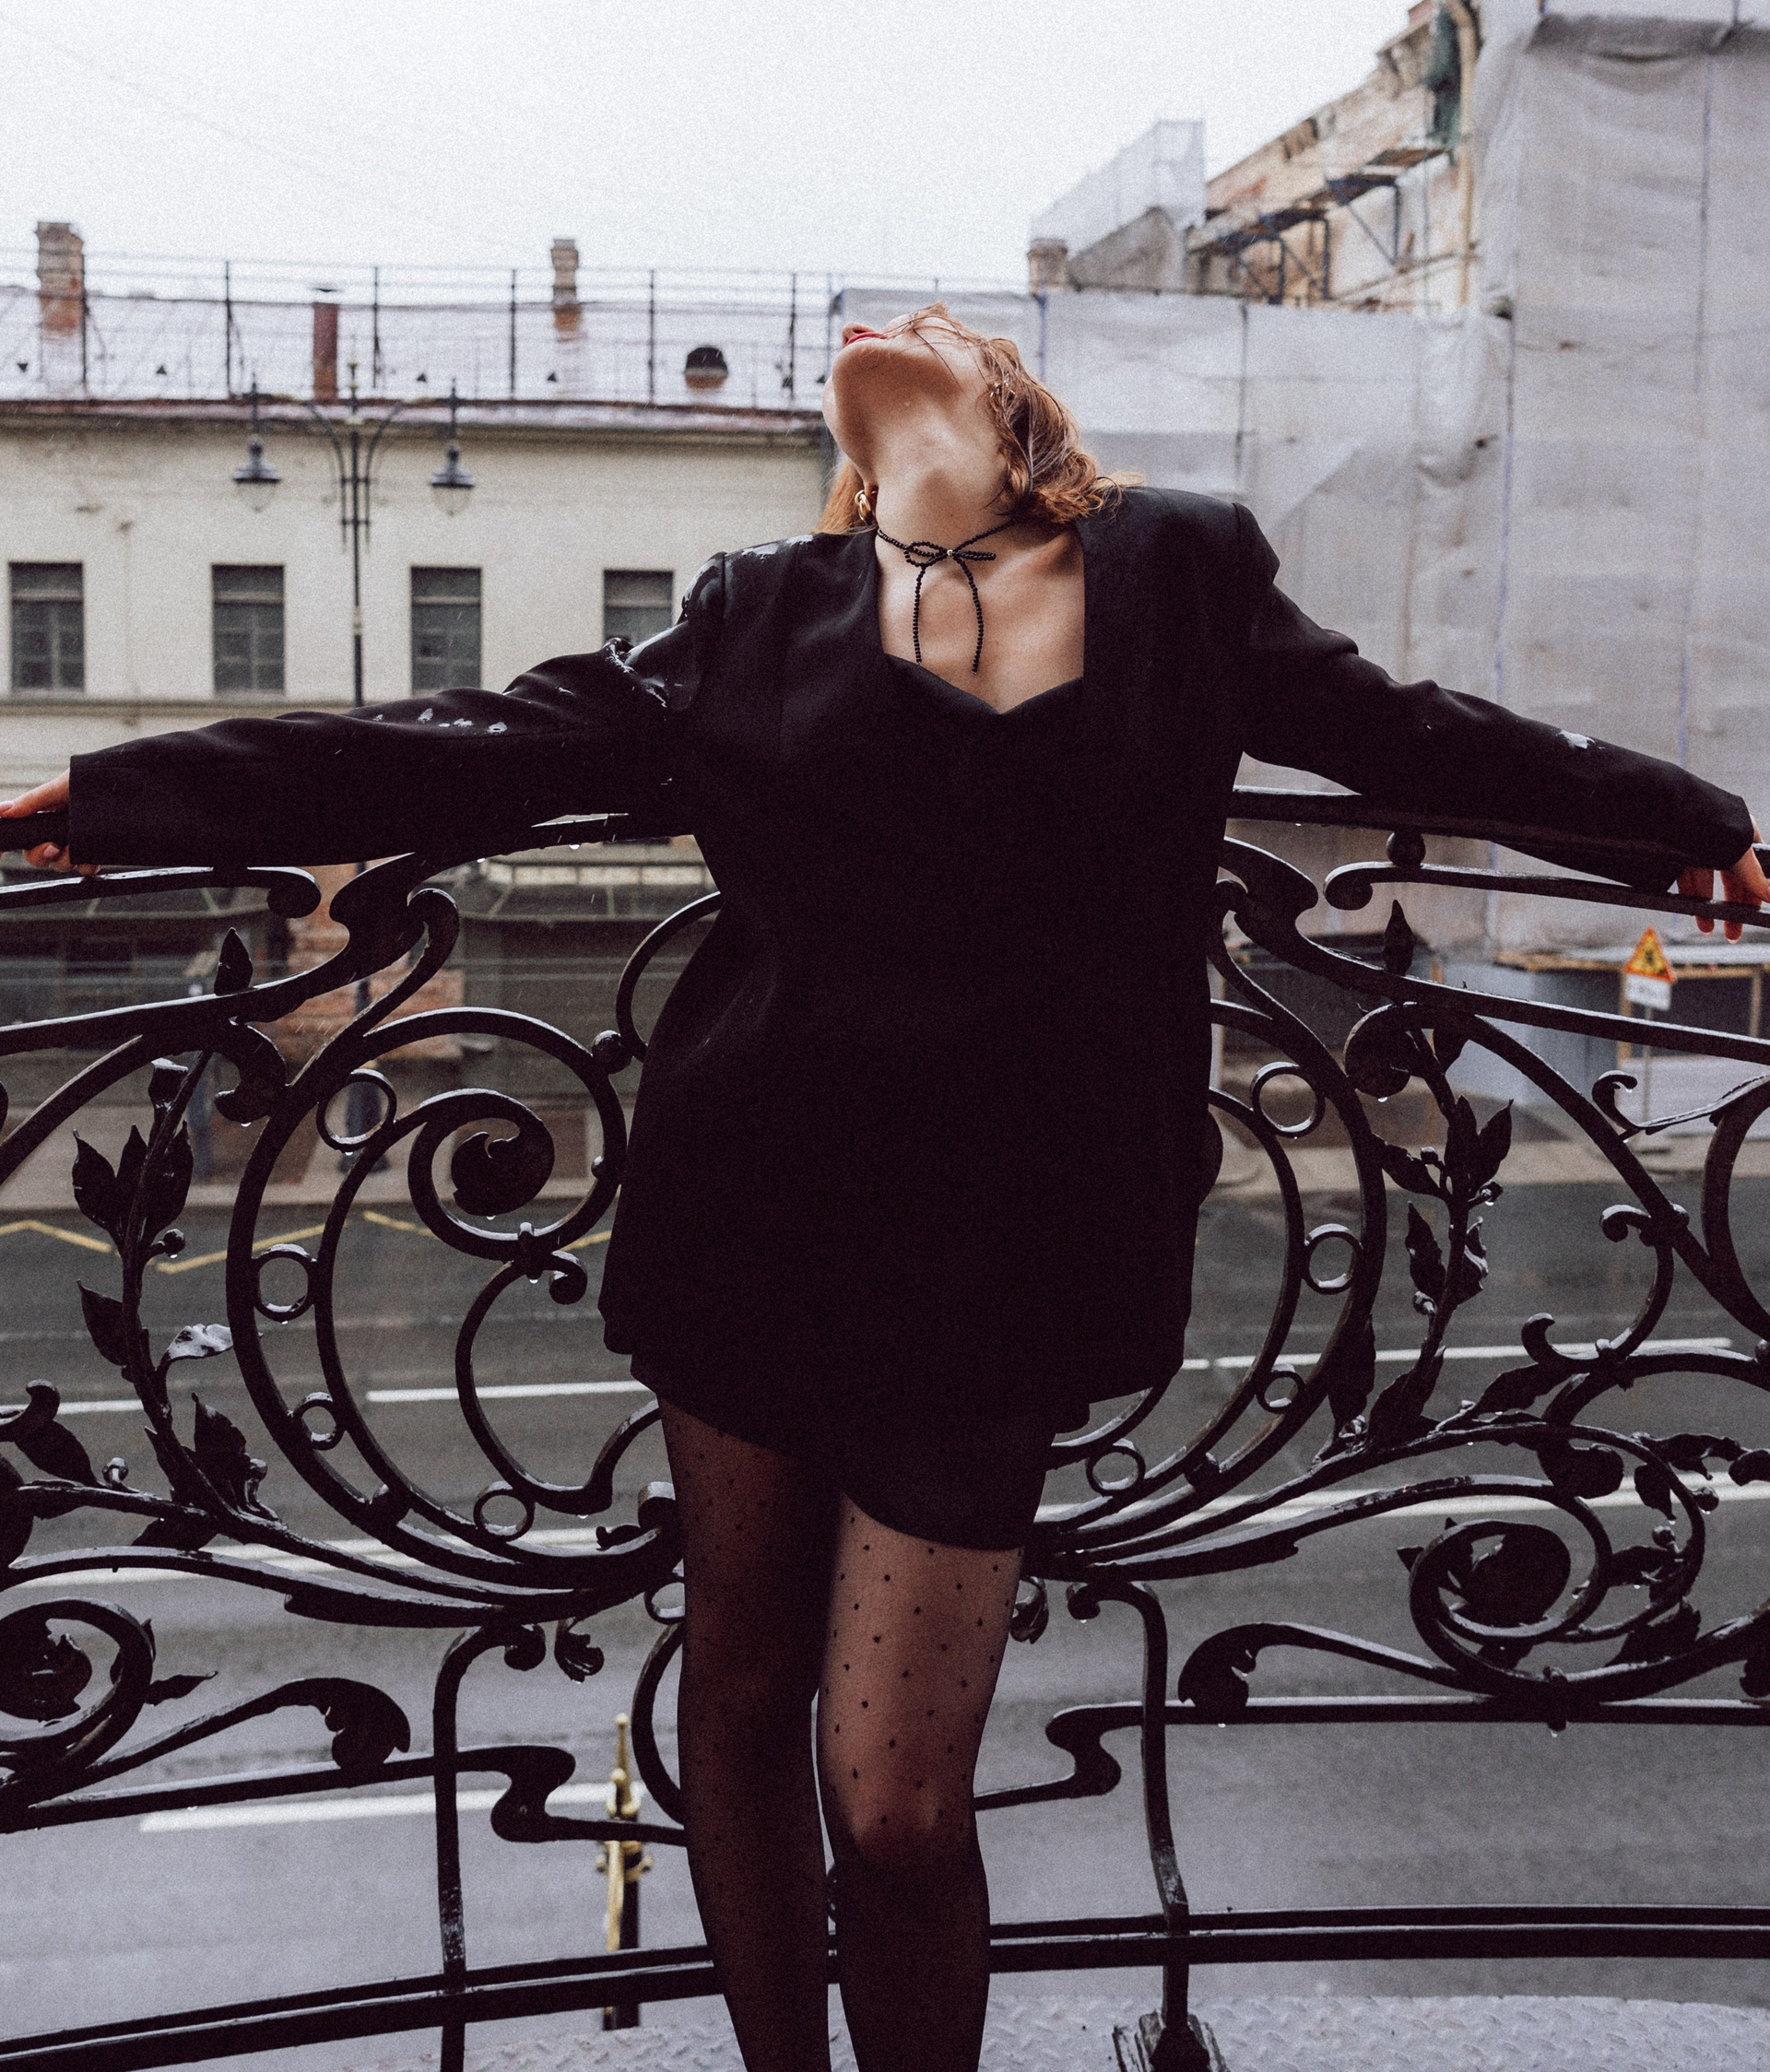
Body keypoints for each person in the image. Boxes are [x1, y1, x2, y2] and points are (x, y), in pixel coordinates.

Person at [5, 302, 1764, 2072]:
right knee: (743, 1692)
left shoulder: (1175, 568)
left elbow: (1416, 738)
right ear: (846, 468)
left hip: (1010, 1261)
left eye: (934, 322)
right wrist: (124, 796)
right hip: (751, 1212)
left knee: (899, 1802)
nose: (885, 324)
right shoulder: (757, 609)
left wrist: (1682, 825)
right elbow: (462, 744)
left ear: (1016, 408)